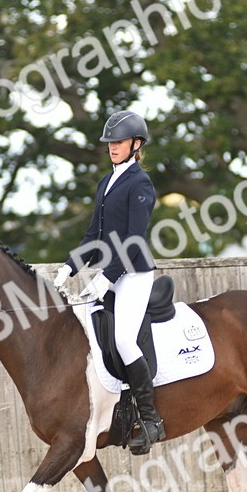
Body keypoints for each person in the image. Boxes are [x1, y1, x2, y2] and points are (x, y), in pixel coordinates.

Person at [54, 109, 165, 455]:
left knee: (123, 341)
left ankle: (150, 419)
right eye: (110, 142)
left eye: (118, 142)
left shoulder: (140, 184)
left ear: (136, 144)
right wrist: (69, 268)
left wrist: (106, 279)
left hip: (133, 273)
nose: (112, 147)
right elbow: (95, 235)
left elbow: (133, 241)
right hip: (108, 273)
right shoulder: (107, 182)